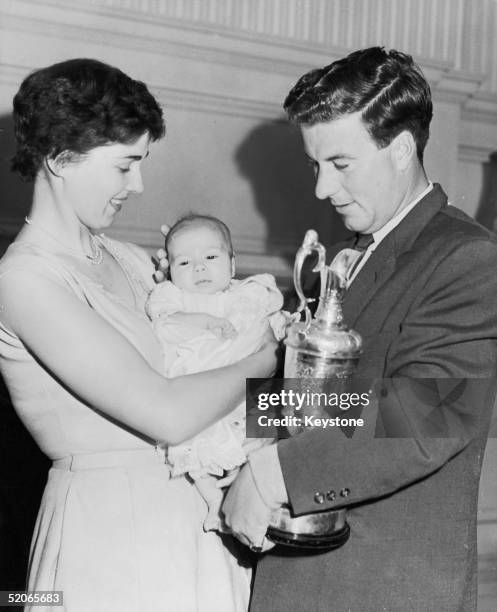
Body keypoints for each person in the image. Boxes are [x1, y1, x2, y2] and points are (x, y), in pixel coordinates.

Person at [222, 47, 497, 611]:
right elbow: (327, 402)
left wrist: (273, 474)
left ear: (400, 150)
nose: (322, 189)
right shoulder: (350, 258)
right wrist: (224, 440)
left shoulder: (466, 256)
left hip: (377, 589)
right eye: (315, 165)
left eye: (341, 164)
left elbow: (427, 413)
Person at [0, 58, 277, 612]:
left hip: (195, 522)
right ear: (59, 160)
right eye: (125, 166)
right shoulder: (23, 279)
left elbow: (208, 373)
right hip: (107, 536)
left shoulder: (130, 261)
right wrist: (268, 354)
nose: (140, 184)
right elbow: (167, 413)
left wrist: (296, 446)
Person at [146, 213, 285, 531]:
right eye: (184, 263)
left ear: (232, 265)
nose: (199, 268)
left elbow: (269, 325)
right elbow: (164, 322)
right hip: (201, 393)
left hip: (247, 397)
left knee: (256, 449)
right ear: (170, 270)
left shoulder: (246, 294)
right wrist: (205, 323)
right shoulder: (175, 297)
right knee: (200, 459)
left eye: (210, 257)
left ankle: (253, 506)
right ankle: (214, 504)